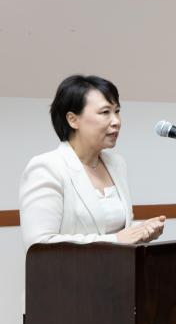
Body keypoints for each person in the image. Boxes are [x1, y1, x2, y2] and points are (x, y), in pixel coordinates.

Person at [19, 75, 165, 250]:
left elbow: (110, 226)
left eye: (117, 111)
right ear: (73, 120)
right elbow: (39, 243)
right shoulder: (47, 167)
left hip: (118, 272)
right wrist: (116, 240)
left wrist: (141, 230)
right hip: (70, 276)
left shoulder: (116, 164)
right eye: (105, 112)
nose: (116, 121)